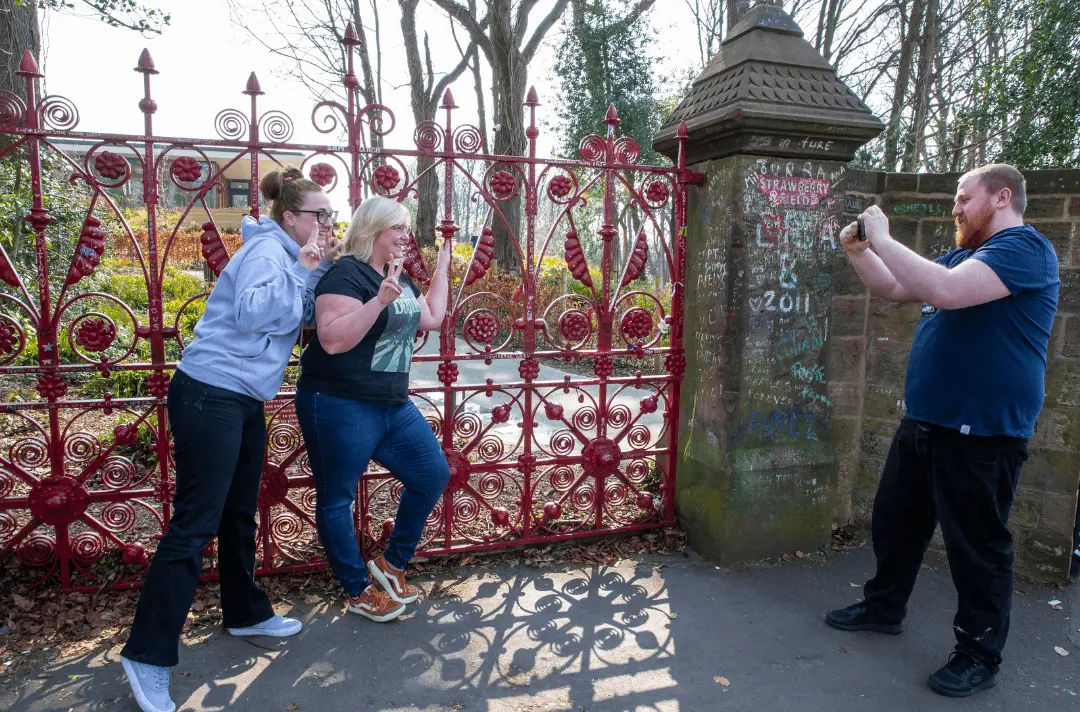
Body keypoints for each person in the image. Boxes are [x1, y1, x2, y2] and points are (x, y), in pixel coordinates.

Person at [825, 164, 1059, 697]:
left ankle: (979, 653)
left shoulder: (1025, 249)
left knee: (977, 547)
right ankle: (884, 607)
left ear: (1001, 198)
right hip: (927, 420)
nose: (955, 208)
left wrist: (884, 234)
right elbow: (892, 288)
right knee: (896, 523)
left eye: (963, 198)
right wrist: (860, 251)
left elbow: (948, 292)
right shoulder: (962, 256)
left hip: (983, 433)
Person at [120, 168, 339, 712]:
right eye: (320, 215)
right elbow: (251, 313)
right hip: (209, 394)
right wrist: (307, 266)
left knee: (238, 512)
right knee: (194, 525)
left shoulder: (289, 257)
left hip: (242, 398)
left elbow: (299, 314)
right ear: (290, 218)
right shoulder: (268, 253)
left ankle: (244, 613)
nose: (328, 223)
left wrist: (321, 273)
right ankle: (146, 655)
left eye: (331, 215)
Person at [295, 195, 451, 622]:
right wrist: (378, 301)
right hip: (339, 401)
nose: (406, 235)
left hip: (391, 404)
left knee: (432, 473)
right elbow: (331, 339)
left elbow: (432, 316)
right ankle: (357, 589)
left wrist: (443, 266)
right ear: (374, 230)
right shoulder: (346, 275)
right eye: (398, 228)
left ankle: (392, 564)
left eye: (406, 228)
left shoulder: (394, 274)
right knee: (337, 498)